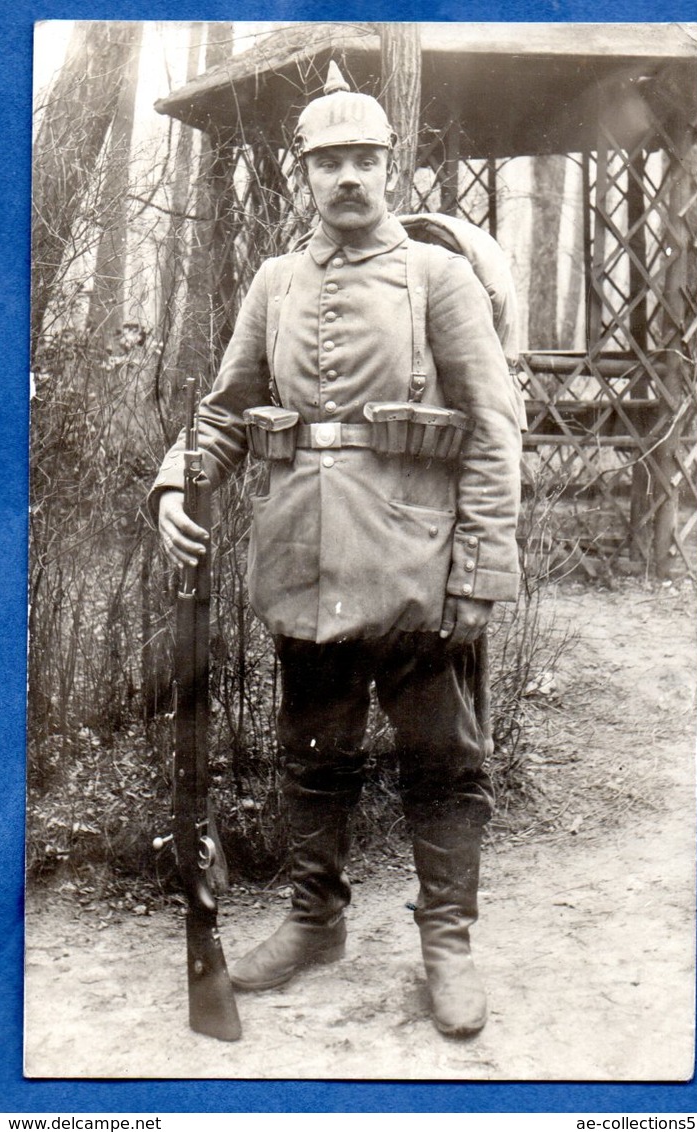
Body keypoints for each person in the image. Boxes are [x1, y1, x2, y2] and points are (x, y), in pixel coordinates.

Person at [150, 63, 522, 1038]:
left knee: (443, 760)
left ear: (387, 166)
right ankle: (315, 918)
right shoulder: (274, 285)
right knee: (313, 754)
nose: (347, 177)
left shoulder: (437, 279)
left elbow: (493, 428)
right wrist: (171, 486)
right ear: (300, 173)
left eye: (364, 159)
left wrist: (479, 569)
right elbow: (224, 414)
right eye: (328, 162)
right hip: (303, 562)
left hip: (415, 570)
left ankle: (448, 939)